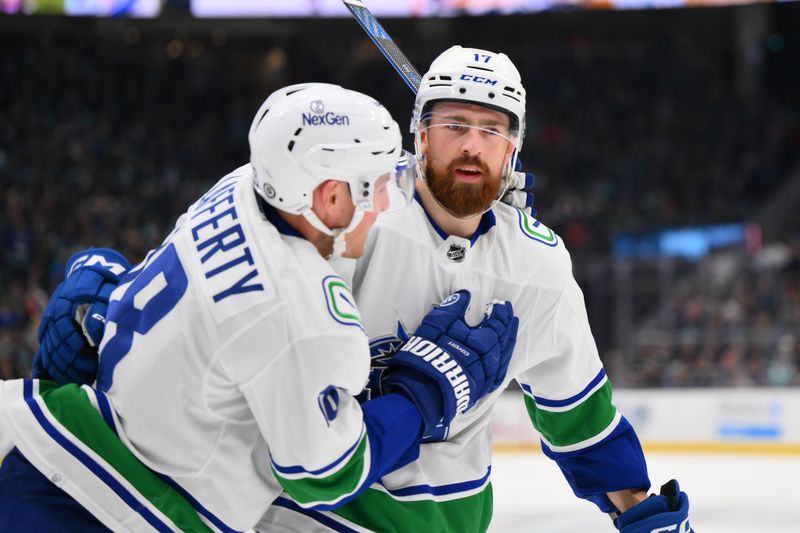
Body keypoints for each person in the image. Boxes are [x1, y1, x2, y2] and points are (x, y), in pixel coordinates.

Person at [26, 48, 693, 532]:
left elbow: (579, 413)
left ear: (513, 153)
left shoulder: (536, 269)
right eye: (453, 124)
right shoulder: (346, 215)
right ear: (418, 133)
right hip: (306, 508)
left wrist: (640, 509)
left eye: (491, 131)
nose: (471, 144)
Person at [0, 83, 519, 532]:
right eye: (378, 185)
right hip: (115, 513)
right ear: (330, 198)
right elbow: (325, 473)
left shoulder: (237, 189)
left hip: (42, 443)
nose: (386, 206)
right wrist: (423, 396)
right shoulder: (305, 318)